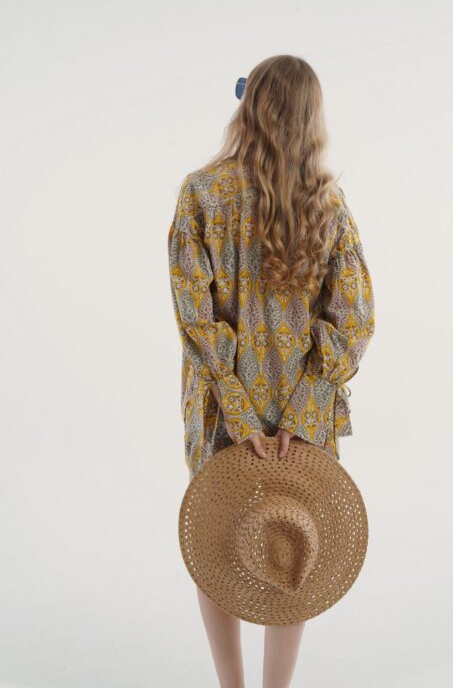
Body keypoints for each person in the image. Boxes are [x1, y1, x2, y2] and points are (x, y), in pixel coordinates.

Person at [167, 54, 375, 688]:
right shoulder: (328, 205)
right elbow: (353, 319)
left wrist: (234, 404)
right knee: (291, 544)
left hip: (220, 408)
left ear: (248, 107)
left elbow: (196, 316)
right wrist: (305, 410)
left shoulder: (202, 194)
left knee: (220, 537)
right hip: (299, 415)